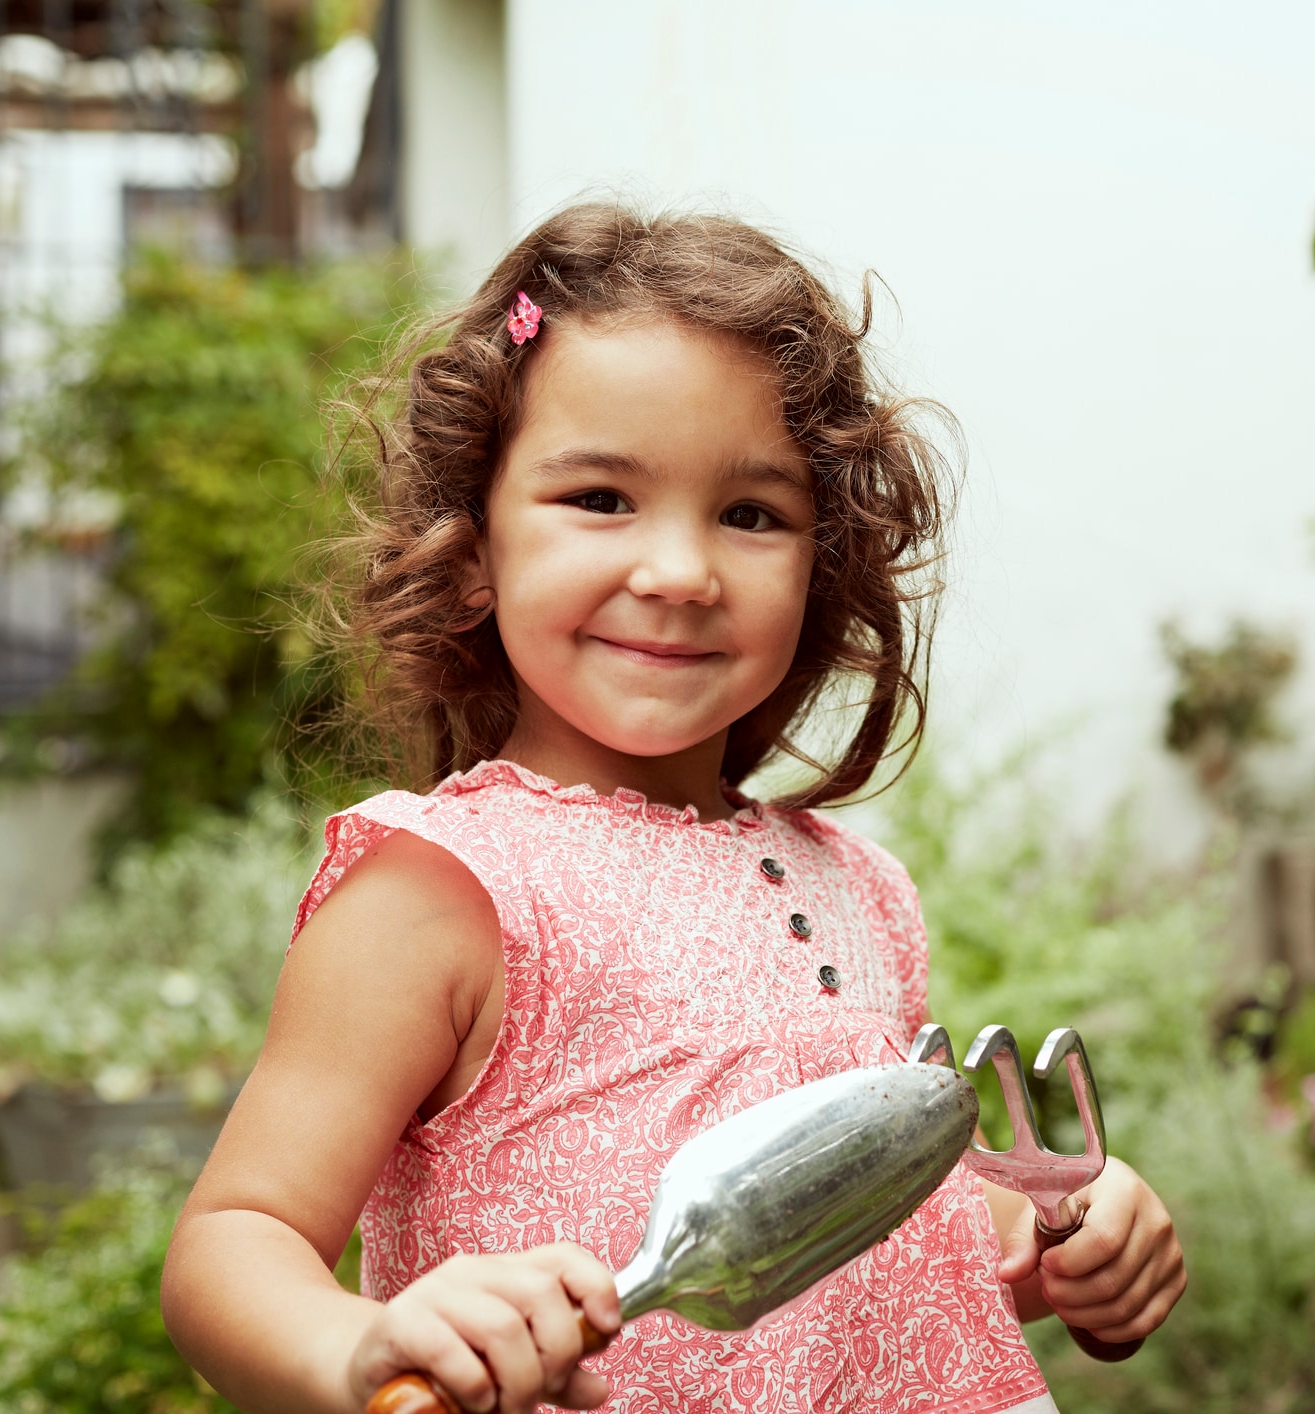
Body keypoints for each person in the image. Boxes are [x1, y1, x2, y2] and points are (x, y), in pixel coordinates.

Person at [161, 204, 1185, 1414]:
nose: (681, 572)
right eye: (599, 497)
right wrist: (360, 1347)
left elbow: (850, 1244)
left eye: (751, 515)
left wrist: (1055, 1237)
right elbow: (233, 1242)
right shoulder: (445, 889)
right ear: (475, 539)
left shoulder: (860, 891)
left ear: (822, 564)